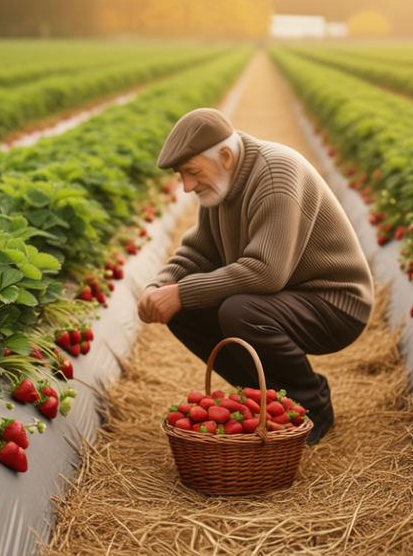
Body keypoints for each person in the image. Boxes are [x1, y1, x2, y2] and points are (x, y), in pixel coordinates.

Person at [138, 108, 373, 445]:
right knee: (184, 307)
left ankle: (313, 402)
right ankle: (267, 396)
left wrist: (182, 292)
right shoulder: (218, 182)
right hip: (288, 297)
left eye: (191, 172)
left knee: (238, 311)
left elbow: (267, 272)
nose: (187, 186)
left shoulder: (276, 176)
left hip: (335, 303)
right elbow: (201, 251)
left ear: (225, 155)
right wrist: (162, 285)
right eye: (181, 175)